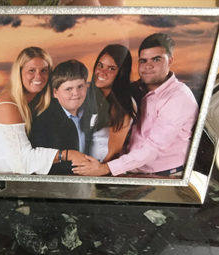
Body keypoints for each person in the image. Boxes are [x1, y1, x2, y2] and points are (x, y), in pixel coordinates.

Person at [73, 33, 198, 177]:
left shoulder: (178, 98)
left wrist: (105, 169)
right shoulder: (140, 90)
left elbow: (152, 148)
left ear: (170, 61)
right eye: (143, 61)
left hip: (164, 176)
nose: (148, 66)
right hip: (134, 172)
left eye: (156, 59)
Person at [0, 47, 85, 175]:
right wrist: (66, 154)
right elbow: (23, 163)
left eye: (44, 71)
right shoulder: (8, 106)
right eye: (31, 70)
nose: (38, 76)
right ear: (19, 73)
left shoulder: (35, 104)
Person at [30, 59, 93, 175]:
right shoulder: (44, 123)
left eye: (80, 86)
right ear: (55, 92)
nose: (76, 93)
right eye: (68, 89)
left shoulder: (90, 113)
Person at [86, 44, 136, 163]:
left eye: (111, 68)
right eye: (100, 65)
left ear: (121, 73)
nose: (102, 72)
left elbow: (113, 153)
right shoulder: (91, 95)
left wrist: (97, 174)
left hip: (100, 169)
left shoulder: (121, 105)